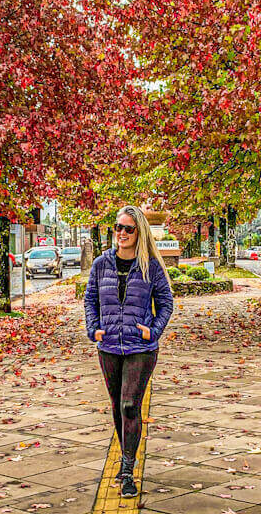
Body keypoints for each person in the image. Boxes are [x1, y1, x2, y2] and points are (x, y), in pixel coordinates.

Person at [84, 205, 174, 499]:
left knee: (129, 406)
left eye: (128, 229)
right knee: (116, 406)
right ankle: (126, 458)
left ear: (140, 233)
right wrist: (92, 327)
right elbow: (90, 299)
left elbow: (166, 303)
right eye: (118, 227)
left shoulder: (151, 266)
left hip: (141, 347)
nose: (121, 233)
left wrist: (154, 330)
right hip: (108, 345)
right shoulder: (101, 264)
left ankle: (127, 471)